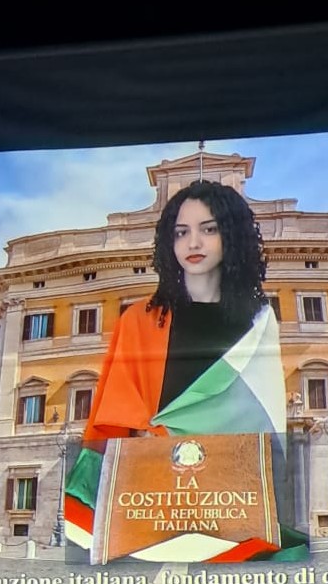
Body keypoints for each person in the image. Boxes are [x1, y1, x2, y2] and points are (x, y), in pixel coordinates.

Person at [63, 179, 307, 561]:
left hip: (230, 496)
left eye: (208, 229)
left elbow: (263, 415)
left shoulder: (261, 321)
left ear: (232, 236)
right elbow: (113, 414)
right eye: (181, 232)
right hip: (151, 490)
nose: (193, 243)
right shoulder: (137, 319)